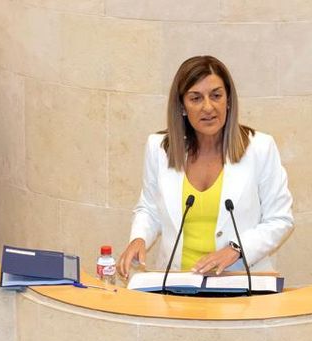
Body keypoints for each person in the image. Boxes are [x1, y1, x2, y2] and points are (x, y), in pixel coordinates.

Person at [117, 55, 294, 280]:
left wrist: (236, 250)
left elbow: (280, 219)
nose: (208, 107)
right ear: (182, 106)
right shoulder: (159, 148)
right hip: (177, 282)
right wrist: (139, 238)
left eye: (216, 96)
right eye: (196, 98)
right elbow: (149, 209)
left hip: (240, 281)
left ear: (228, 100)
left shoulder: (260, 147)